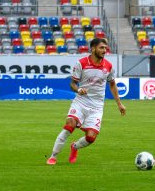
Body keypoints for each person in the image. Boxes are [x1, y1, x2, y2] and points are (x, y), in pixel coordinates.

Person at [46, 37, 125, 165]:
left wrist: (119, 104)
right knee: (70, 124)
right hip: (81, 102)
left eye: (105, 48)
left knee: (91, 137)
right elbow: (72, 84)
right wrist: (78, 90)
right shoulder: (81, 63)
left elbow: (112, 84)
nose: (104, 50)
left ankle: (74, 147)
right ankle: (53, 156)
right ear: (93, 49)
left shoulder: (108, 66)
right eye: (101, 48)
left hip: (97, 107)